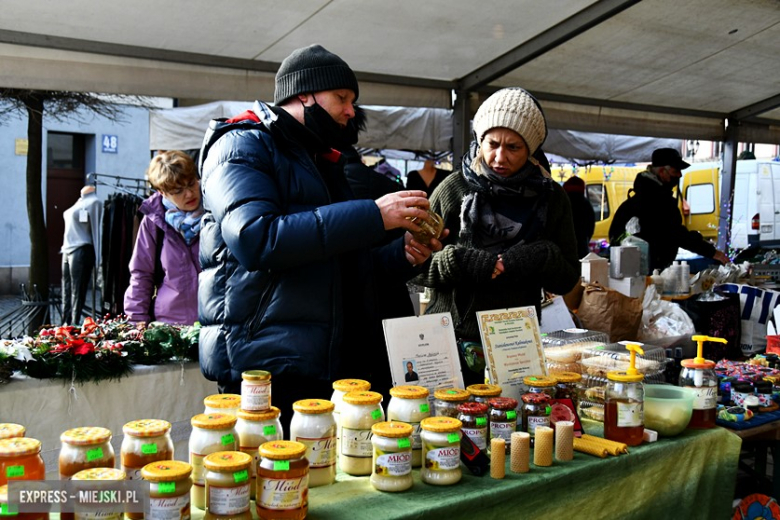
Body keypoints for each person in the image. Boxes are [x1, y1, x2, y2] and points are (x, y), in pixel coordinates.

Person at [197, 44, 443, 427]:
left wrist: (400, 255)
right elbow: (255, 238)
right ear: (304, 94)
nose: (351, 111)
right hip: (266, 364)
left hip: (320, 362)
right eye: (342, 98)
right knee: (277, 480)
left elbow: (337, 266)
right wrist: (374, 214)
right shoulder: (241, 144)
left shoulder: (317, 160)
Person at [414, 87, 580, 385]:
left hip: (514, 345)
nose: (499, 157)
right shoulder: (453, 190)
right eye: (491, 144)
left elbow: (567, 278)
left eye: (513, 147)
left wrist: (540, 255)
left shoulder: (551, 198)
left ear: (530, 149)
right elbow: (415, 265)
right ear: (480, 141)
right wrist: (457, 261)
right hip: (451, 343)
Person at [608, 148, 729, 272]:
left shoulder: (639, 199)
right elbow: (676, 233)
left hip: (635, 271)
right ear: (662, 171)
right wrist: (712, 252)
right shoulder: (656, 201)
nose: (679, 175)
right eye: (676, 171)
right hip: (647, 272)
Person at [123, 151, 202, 325]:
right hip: (172, 326)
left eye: (191, 184)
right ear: (162, 192)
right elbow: (141, 274)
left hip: (217, 324)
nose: (189, 194)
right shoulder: (153, 221)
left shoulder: (216, 211)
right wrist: (137, 323)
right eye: (178, 191)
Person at [60, 184, 102, 325]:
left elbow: (97, 229)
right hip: (67, 249)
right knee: (66, 290)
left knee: (77, 290)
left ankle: (74, 324)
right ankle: (64, 323)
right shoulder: (79, 201)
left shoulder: (94, 202)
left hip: (82, 248)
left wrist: (98, 256)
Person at [563, 176, 596, 259]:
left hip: (563, 249)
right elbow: (590, 227)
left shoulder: (562, 203)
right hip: (581, 247)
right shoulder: (586, 204)